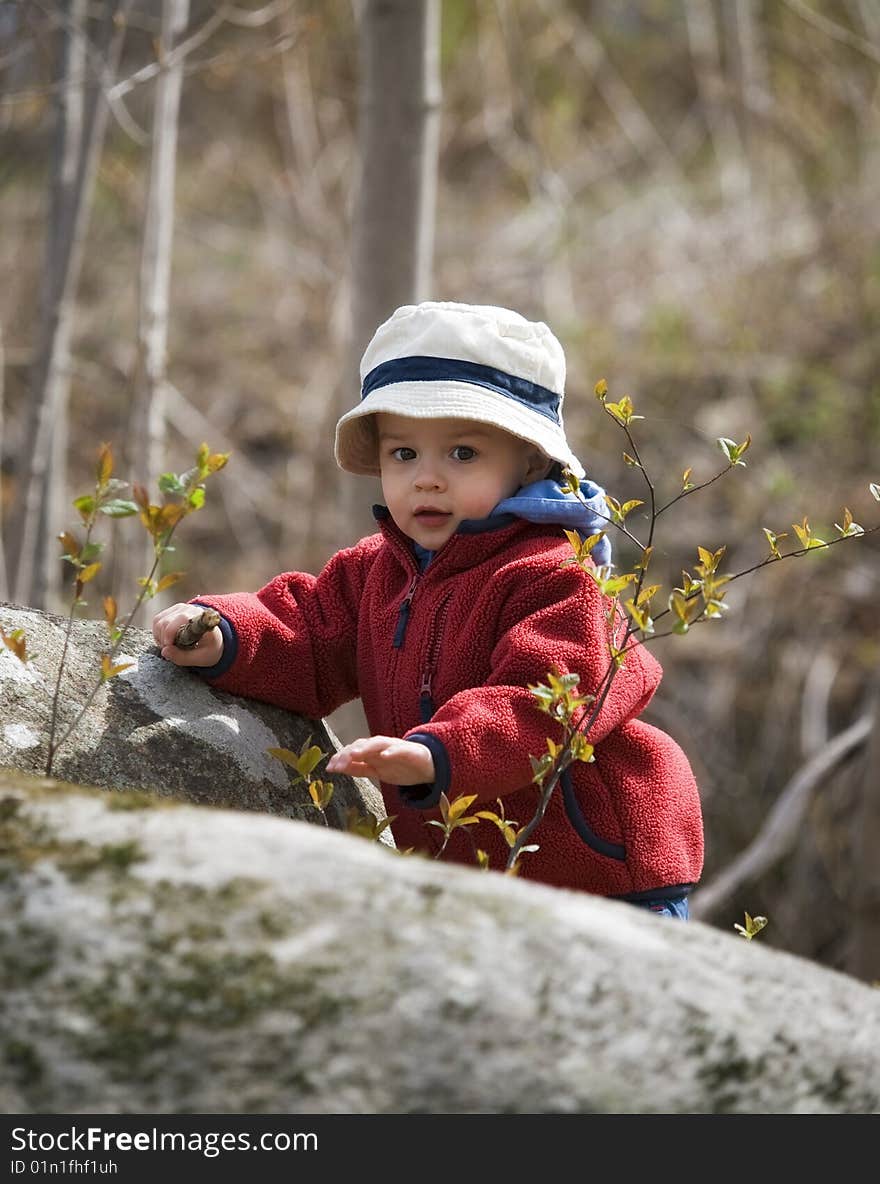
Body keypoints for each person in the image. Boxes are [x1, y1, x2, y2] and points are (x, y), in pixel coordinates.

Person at [153, 301, 703, 917]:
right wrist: (222, 633)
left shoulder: (552, 573)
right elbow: (309, 632)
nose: (427, 479)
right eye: (403, 454)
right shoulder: (377, 570)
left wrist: (439, 753)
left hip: (595, 870)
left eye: (462, 453)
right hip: (470, 868)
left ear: (526, 461)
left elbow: (545, 697)